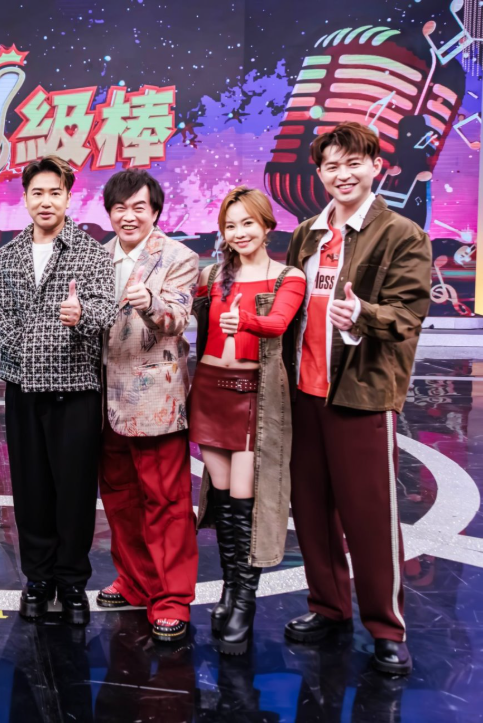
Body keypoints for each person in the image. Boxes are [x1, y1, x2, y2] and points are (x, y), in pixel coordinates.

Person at [282, 122, 431, 675]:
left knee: (370, 516)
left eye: (353, 163)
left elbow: (408, 314)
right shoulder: (307, 234)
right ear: (319, 173)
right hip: (303, 391)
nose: (342, 174)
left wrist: (361, 314)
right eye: (331, 166)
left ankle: (386, 627)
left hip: (361, 393)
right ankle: (328, 606)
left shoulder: (400, 233)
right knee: (311, 511)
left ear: (376, 167)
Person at [0, 154, 116, 626]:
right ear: (24, 199)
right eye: (37, 192)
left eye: (54, 192)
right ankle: (37, 580)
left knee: (75, 492)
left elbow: (106, 309)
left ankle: (73, 582)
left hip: (76, 389)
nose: (45, 201)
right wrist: (26, 348)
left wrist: (82, 316)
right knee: (31, 488)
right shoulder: (6, 256)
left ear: (68, 197)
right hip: (24, 386)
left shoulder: (91, 253)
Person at [189, 187, 306, 654]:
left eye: (248, 223)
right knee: (222, 501)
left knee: (244, 502)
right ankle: (229, 590)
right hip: (210, 392)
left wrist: (245, 322)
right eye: (231, 225)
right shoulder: (211, 276)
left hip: (254, 395)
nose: (239, 233)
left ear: (267, 226)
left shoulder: (287, 277)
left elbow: (278, 324)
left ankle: (244, 601)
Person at [97, 169, 200, 643]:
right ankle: (135, 581)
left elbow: (178, 317)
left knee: (167, 502)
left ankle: (172, 598)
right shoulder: (96, 258)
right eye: (120, 207)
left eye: (139, 207)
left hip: (156, 401)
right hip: (103, 401)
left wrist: (150, 302)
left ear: (155, 211)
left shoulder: (179, 257)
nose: (129, 216)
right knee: (119, 498)